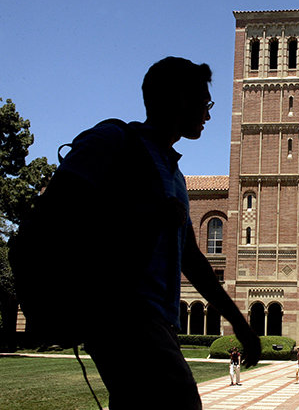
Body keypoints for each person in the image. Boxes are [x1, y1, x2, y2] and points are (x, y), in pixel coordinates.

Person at [52, 57, 261, 409]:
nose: (209, 115)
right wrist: (146, 216)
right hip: (122, 314)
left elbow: (193, 261)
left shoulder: (174, 173)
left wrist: (239, 323)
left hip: (158, 320)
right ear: (180, 98)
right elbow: (60, 211)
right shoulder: (112, 142)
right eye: (204, 103)